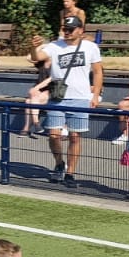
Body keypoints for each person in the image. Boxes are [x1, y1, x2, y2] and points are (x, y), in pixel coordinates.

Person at [39, 15, 103, 185]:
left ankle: (70, 173)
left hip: (80, 97)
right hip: (58, 97)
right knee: (54, 135)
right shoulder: (54, 46)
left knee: (75, 137)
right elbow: (36, 57)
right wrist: (33, 47)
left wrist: (95, 94)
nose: (66, 32)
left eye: (70, 29)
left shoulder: (90, 47)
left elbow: (97, 71)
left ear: (80, 31)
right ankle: (59, 164)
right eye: (65, 29)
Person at [21, 31, 51, 136]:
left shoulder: (56, 64)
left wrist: (36, 88)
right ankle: (35, 124)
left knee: (32, 97)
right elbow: (29, 58)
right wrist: (39, 46)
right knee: (28, 100)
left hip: (52, 90)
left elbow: (51, 79)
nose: (41, 53)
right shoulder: (41, 63)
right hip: (40, 92)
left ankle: (29, 126)